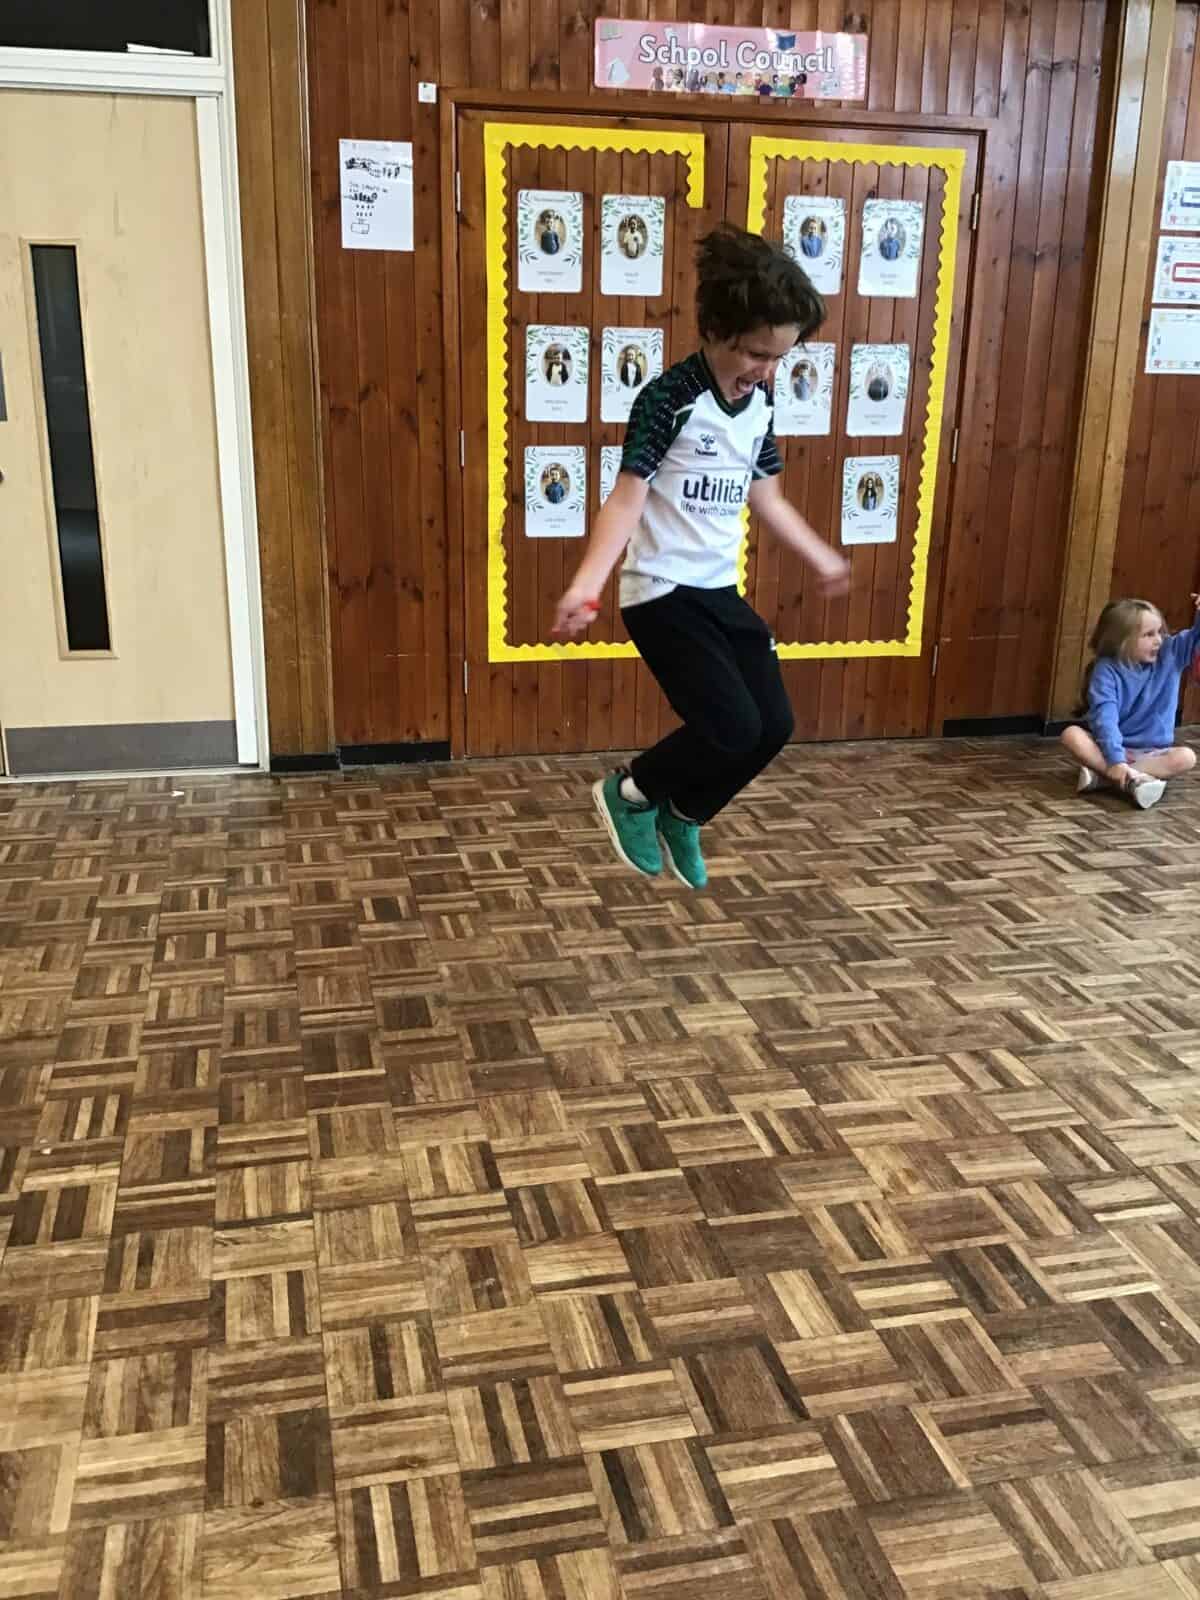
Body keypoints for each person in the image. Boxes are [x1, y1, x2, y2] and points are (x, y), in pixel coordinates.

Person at [551, 224, 850, 889]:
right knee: (732, 724)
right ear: (716, 330)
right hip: (661, 594)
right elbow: (625, 499)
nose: (766, 371)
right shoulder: (669, 400)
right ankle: (629, 793)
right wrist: (585, 586)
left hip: (718, 591)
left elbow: (767, 496)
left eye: (779, 358)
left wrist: (822, 557)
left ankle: (684, 811)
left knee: (774, 725)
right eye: (756, 354)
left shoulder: (759, 401)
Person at [1060, 596, 1200, 809]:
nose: (1159, 640)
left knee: (1186, 757)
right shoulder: (1106, 670)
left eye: (1159, 632)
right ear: (1122, 640)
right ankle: (1131, 778)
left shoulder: (1170, 654)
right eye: (1149, 635)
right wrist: (1116, 759)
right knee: (1071, 734)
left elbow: (1195, 637)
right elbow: (1105, 719)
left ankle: (1104, 777)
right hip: (1111, 748)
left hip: (1152, 753)